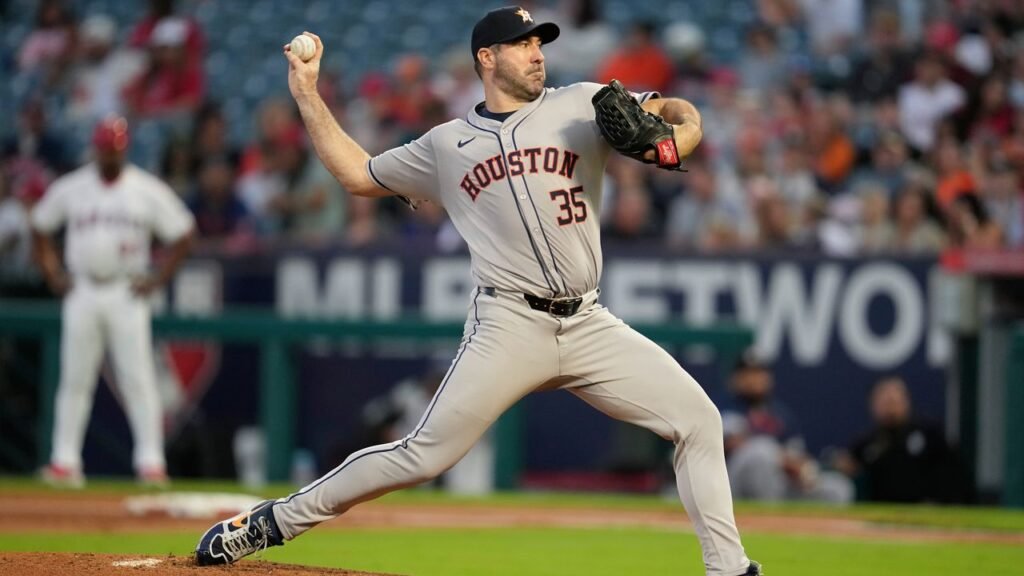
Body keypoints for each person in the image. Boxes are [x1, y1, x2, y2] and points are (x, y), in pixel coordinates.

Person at [195, 7, 761, 576]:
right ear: (487, 58)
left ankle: (728, 568)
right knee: (422, 456)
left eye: (540, 42)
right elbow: (359, 175)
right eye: (521, 44)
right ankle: (274, 521)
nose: (537, 52)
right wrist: (307, 93)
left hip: (589, 322)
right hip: (508, 326)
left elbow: (670, 112)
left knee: (699, 420)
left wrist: (684, 130)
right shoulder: (446, 144)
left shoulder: (580, 104)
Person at [30, 116, 196, 488]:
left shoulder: (144, 189)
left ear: (125, 147)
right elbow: (40, 225)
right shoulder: (73, 187)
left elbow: (184, 232)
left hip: (125, 290)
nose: (110, 153)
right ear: (97, 148)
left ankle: (151, 463)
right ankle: (64, 462)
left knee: (138, 378)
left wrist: (158, 278)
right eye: (105, 147)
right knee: (75, 379)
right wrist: (53, 272)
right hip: (83, 289)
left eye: (115, 147)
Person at [721, 352, 853, 504]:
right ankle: (767, 518)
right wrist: (781, 457)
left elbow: (796, 454)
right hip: (734, 482)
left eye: (759, 374)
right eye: (748, 374)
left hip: (780, 481)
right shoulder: (725, 406)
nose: (754, 380)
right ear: (735, 379)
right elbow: (733, 444)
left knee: (838, 486)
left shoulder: (780, 413)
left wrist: (804, 470)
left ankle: (801, 525)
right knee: (761, 450)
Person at [835, 377, 972, 503]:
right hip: (883, 508)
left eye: (893, 402)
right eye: (884, 402)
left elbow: (953, 472)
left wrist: (941, 500)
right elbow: (848, 464)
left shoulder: (929, 432)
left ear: (906, 402)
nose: (890, 408)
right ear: (873, 405)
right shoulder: (867, 441)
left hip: (927, 506)